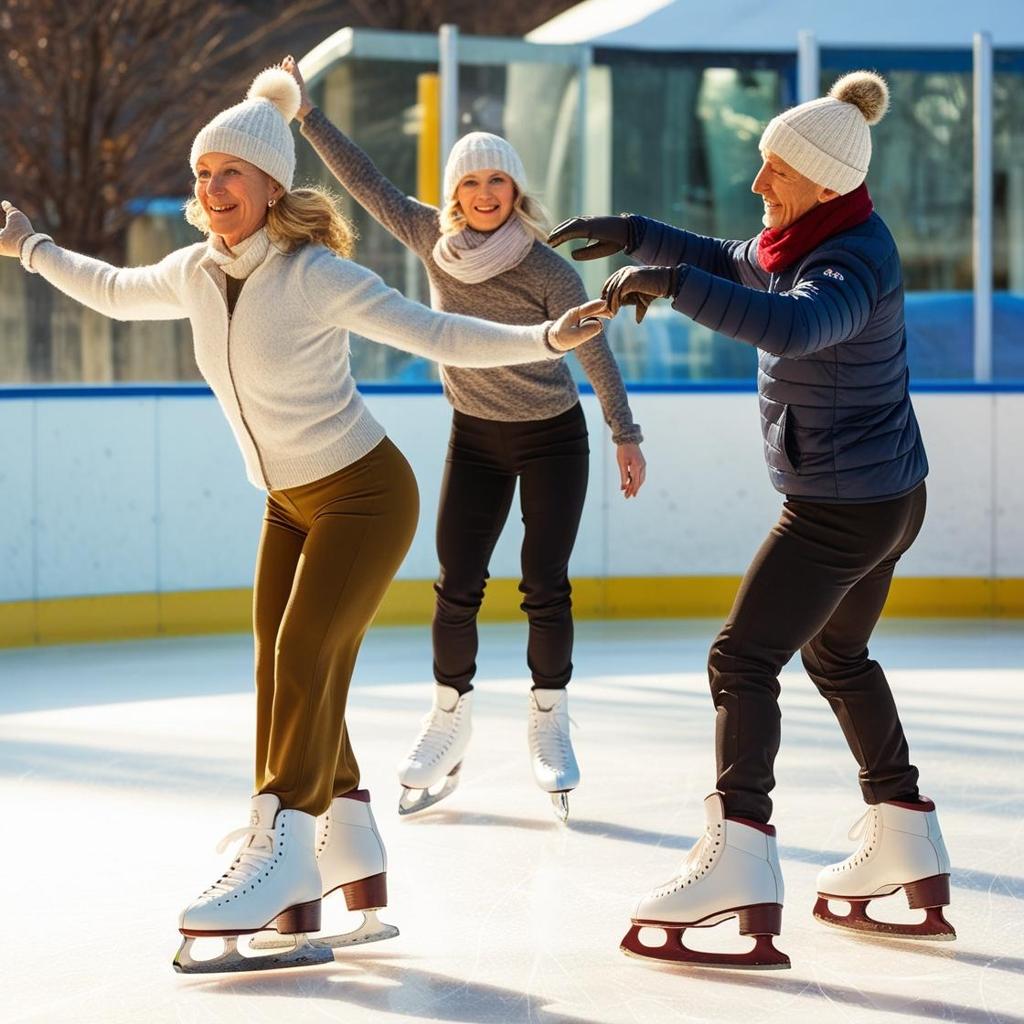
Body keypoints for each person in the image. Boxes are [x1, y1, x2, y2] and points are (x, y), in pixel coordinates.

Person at [0, 67, 607, 975]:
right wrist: (31, 246)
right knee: (277, 662)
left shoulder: (317, 275)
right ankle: (349, 835)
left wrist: (541, 340)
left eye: (229, 173)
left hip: (364, 492)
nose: (211, 190)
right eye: (202, 174)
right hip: (289, 502)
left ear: (272, 185)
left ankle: (281, 844)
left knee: (304, 655)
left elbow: (431, 331)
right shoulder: (194, 272)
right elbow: (117, 289)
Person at [551, 71, 953, 969]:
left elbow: (797, 327)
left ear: (819, 179)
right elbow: (741, 259)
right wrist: (640, 234)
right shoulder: (811, 233)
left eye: (773, 169)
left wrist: (674, 285)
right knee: (836, 654)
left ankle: (739, 854)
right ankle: (906, 839)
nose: (758, 183)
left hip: (841, 509)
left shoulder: (850, 261)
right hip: (888, 496)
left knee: (740, 659)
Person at [283, 57, 645, 823]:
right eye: (471, 184)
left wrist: (624, 431)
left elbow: (592, 352)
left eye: (498, 184)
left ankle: (549, 719)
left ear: (516, 193)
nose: (484, 196)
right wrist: (306, 116)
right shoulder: (428, 236)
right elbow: (367, 183)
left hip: (551, 438)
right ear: (455, 194)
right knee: (457, 580)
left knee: (544, 580)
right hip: (475, 437)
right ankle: (450, 716)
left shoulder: (548, 268)